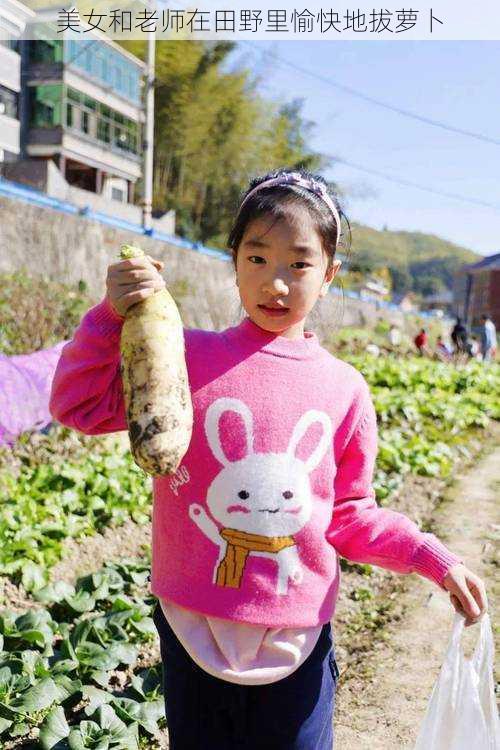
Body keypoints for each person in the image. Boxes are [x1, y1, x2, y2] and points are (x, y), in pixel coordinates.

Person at [49, 168, 488, 750]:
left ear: (329, 275)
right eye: (257, 259)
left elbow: (353, 515)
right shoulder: (183, 355)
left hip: (295, 636)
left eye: (298, 264)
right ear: (233, 262)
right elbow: (77, 406)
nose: (275, 283)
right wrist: (110, 315)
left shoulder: (344, 389)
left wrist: (433, 558)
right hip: (190, 628)